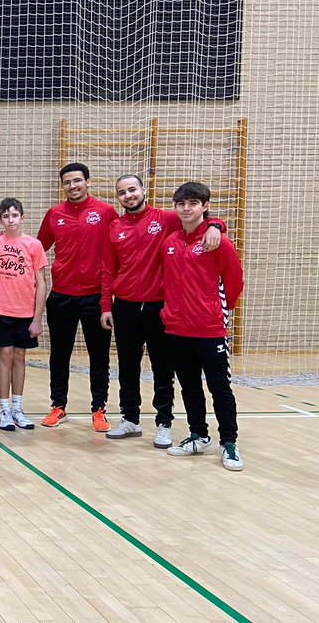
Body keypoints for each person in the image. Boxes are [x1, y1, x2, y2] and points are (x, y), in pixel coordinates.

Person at [101, 175, 224, 447]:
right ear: (118, 198)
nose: (128, 195)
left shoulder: (167, 218)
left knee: (162, 368)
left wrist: (217, 224)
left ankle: (164, 423)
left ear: (143, 190)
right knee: (127, 367)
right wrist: (105, 306)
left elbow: (199, 221)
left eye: (132, 189)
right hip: (125, 307)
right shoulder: (114, 227)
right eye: (122, 192)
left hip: (159, 307)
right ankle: (130, 419)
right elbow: (108, 270)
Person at [161, 182, 245, 471]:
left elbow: (234, 283)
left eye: (193, 203)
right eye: (181, 204)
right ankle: (198, 434)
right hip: (176, 329)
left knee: (220, 387)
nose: (186, 209)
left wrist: (216, 311)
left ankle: (229, 443)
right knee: (189, 387)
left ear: (205, 206)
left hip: (210, 329)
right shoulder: (170, 242)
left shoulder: (217, 241)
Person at [37, 162, 119, 430]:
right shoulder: (54, 214)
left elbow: (122, 245)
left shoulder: (105, 212)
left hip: (95, 298)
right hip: (61, 296)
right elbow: (35, 250)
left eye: (77, 181)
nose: (72, 186)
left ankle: (99, 409)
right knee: (59, 355)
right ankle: (58, 406)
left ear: (88, 182)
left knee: (99, 357)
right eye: (67, 182)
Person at [0, 199, 48, 431]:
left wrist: (37, 318)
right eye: (6, 216)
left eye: (15, 215)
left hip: (25, 312)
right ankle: (5, 409)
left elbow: (41, 283)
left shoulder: (33, 244)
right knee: (5, 355)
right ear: (0, 219)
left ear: (22, 218)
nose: (11, 219)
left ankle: (18, 408)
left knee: (20, 356)